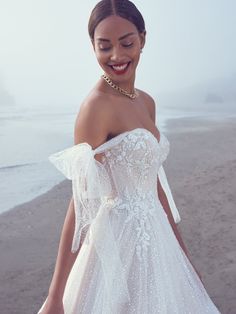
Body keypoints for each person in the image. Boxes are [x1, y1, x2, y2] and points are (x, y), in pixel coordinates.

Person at [37, 1, 221, 313]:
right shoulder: (95, 107)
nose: (117, 56)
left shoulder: (146, 102)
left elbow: (155, 184)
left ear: (143, 40)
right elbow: (80, 202)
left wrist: (184, 257)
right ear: (92, 46)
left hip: (158, 241)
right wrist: (55, 296)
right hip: (117, 244)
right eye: (104, 46)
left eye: (127, 43)